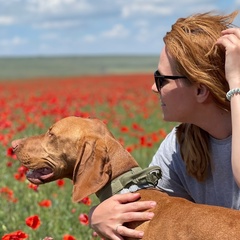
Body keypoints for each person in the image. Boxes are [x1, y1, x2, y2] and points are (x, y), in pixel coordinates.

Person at [89, 11, 240, 240]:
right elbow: (149, 204)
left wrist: (237, 84)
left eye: (162, 80)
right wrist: (98, 215)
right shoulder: (181, 143)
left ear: (200, 89)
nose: (153, 88)